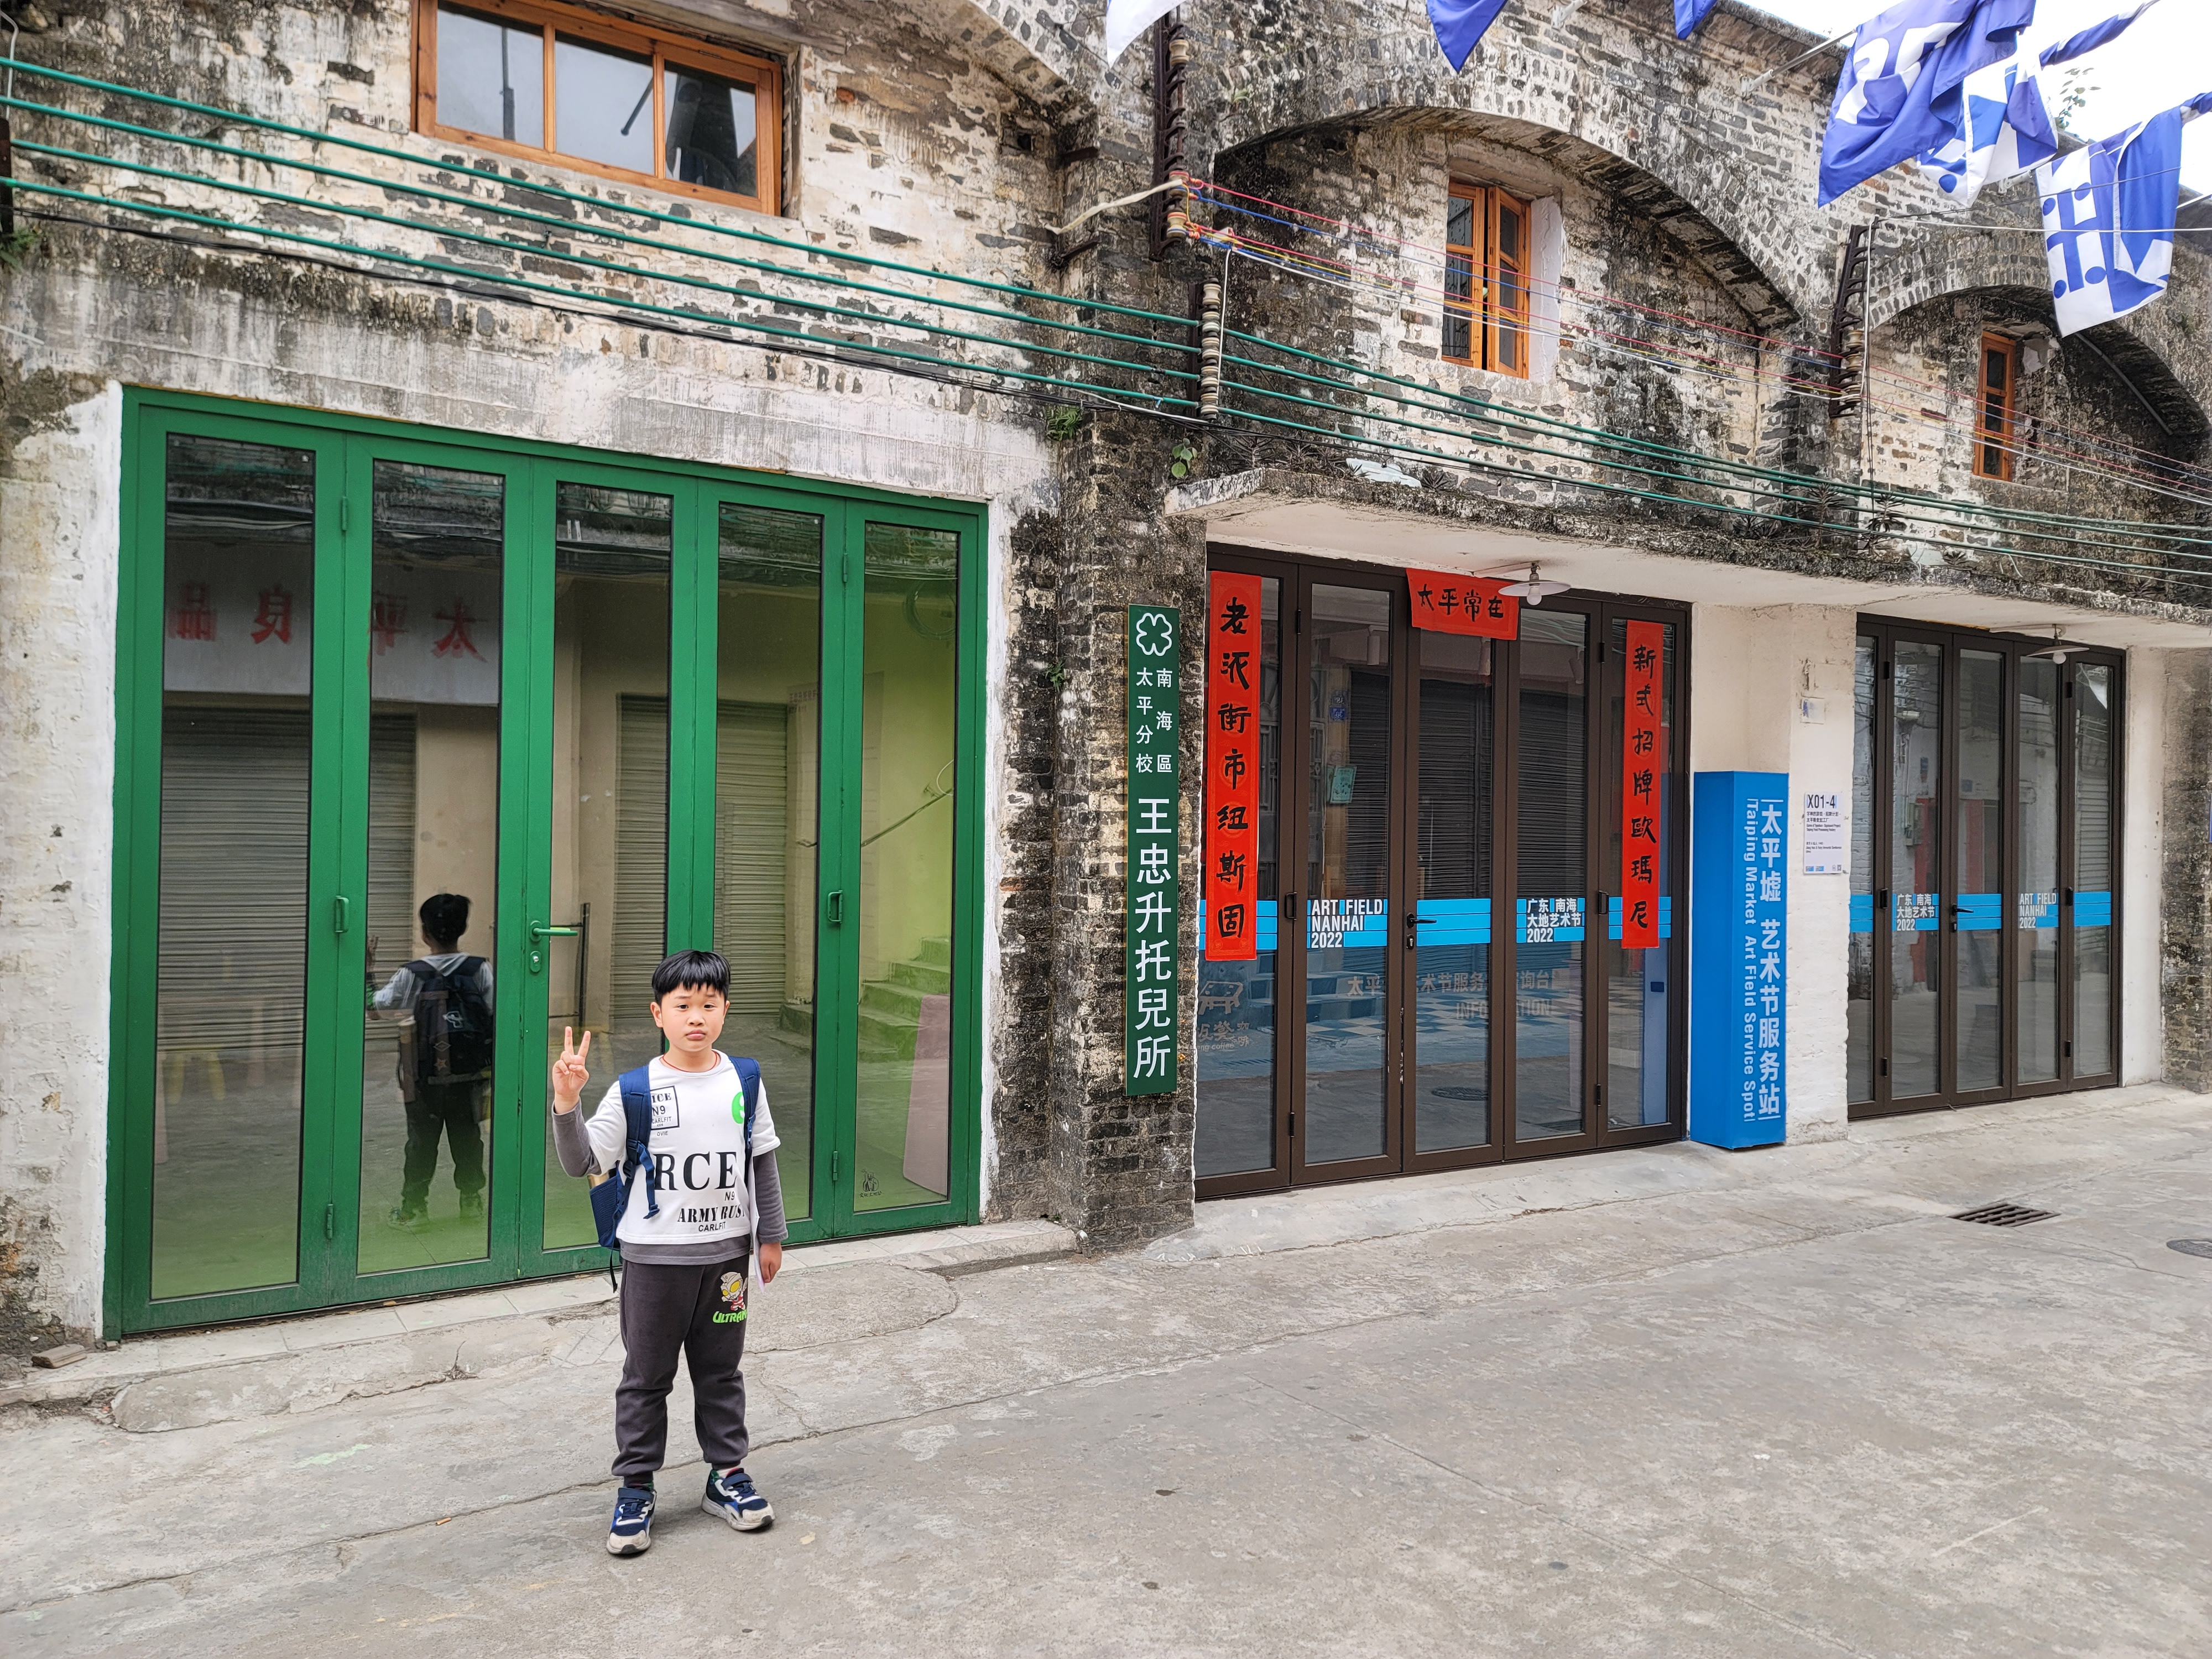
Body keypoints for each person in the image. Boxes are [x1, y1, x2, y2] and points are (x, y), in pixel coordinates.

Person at [549, 948, 787, 1557]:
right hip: (655, 1260)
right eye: (683, 1006)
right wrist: (567, 1103)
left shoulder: (745, 1079)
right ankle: (635, 1486)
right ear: (659, 1014)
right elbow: (581, 1162)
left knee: (721, 1372)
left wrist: (771, 1236)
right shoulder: (634, 1089)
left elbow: (761, 1158)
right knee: (646, 1378)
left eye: (709, 1005)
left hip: (727, 1258)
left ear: (726, 1010)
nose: (696, 1017)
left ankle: (726, 1475)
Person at [370, 893, 493, 1231]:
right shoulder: (480, 969)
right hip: (469, 1076)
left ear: (424, 932)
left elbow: (374, 1009)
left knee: (421, 1142)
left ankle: (414, 1209)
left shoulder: (412, 974)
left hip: (422, 1080)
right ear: (463, 929)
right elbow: (495, 1015)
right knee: (468, 1138)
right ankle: (471, 1202)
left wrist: (367, 969)